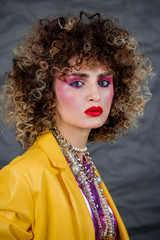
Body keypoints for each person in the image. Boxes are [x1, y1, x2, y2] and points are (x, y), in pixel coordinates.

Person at [0, 11, 153, 240]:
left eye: (103, 82)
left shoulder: (84, 167)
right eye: (78, 82)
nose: (95, 95)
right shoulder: (20, 178)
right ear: (45, 92)